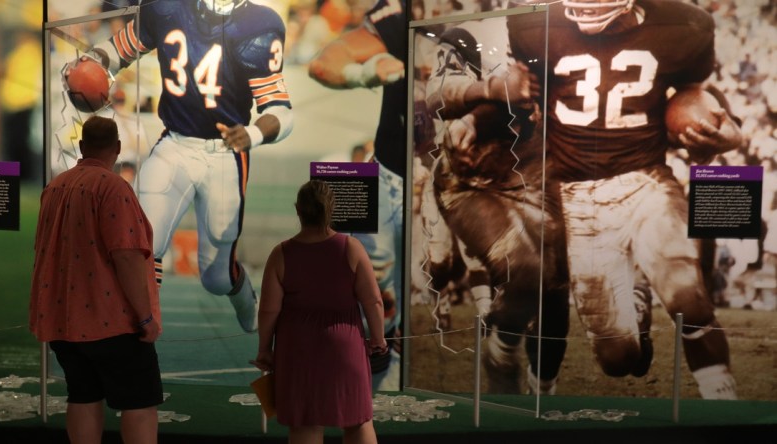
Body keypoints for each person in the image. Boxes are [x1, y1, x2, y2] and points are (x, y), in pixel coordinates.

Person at [506, 0, 743, 399]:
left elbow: (698, 95)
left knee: (689, 298)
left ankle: (726, 409)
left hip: (645, 180)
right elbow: (511, 95)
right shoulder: (531, 26)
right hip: (576, 198)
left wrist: (730, 136)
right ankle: (634, 299)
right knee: (619, 359)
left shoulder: (684, 25)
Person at [77, 0, 295, 333]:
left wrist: (252, 133)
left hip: (225, 151)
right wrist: (92, 64)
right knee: (143, 245)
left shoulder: (258, 25)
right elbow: (116, 51)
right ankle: (142, 328)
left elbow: (281, 111)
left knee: (215, 277)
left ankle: (243, 296)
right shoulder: (167, 8)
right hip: (175, 144)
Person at [422, 21, 571, 394]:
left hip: (535, 173)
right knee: (515, 270)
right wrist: (487, 96)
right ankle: (500, 347)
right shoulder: (483, 43)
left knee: (553, 287)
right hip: (472, 176)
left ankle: (543, 384)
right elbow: (437, 94)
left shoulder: (575, 45)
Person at [29, 115, 163, 444]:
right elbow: (127, 255)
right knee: (140, 405)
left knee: (83, 397)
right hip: (111, 321)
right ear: (117, 148)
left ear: (81, 145)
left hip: (63, 319)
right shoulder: (114, 188)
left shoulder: (55, 187)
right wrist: (145, 317)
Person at [308, 0, 406, 390]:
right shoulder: (399, 15)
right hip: (387, 173)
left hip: (452, 180)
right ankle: (370, 364)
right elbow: (323, 63)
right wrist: (366, 71)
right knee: (370, 288)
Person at [253, 179, 386, 444]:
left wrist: (265, 349)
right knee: (357, 421)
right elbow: (373, 301)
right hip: (345, 346)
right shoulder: (351, 248)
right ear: (331, 210)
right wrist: (379, 338)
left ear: (298, 211)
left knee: (305, 424)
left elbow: (268, 310)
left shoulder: (281, 254)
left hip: (297, 348)